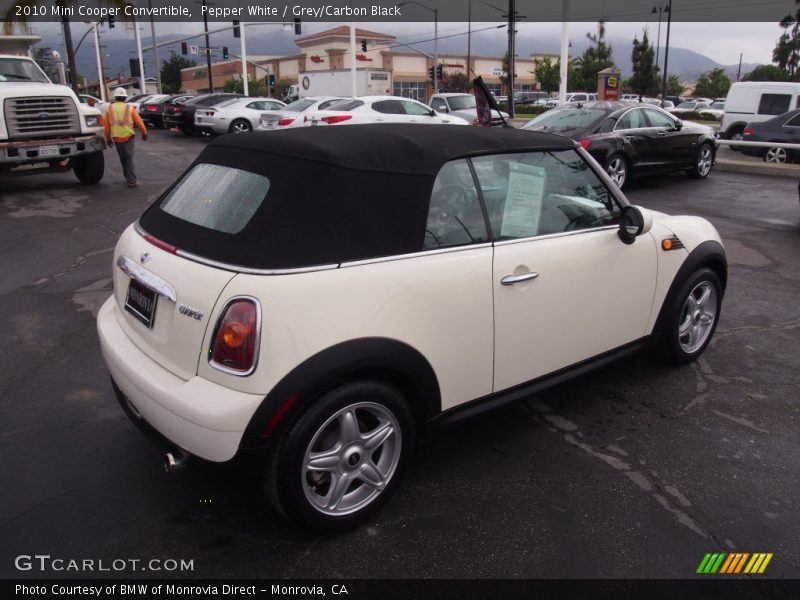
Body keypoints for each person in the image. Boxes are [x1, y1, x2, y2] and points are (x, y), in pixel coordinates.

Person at [104, 88, 148, 187]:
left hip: (116, 138)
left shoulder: (109, 109)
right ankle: (131, 181)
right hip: (128, 137)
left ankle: (127, 177)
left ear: (115, 97)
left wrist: (107, 138)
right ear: (125, 97)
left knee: (123, 159)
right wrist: (144, 133)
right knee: (129, 159)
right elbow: (139, 122)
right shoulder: (130, 108)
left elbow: (107, 126)